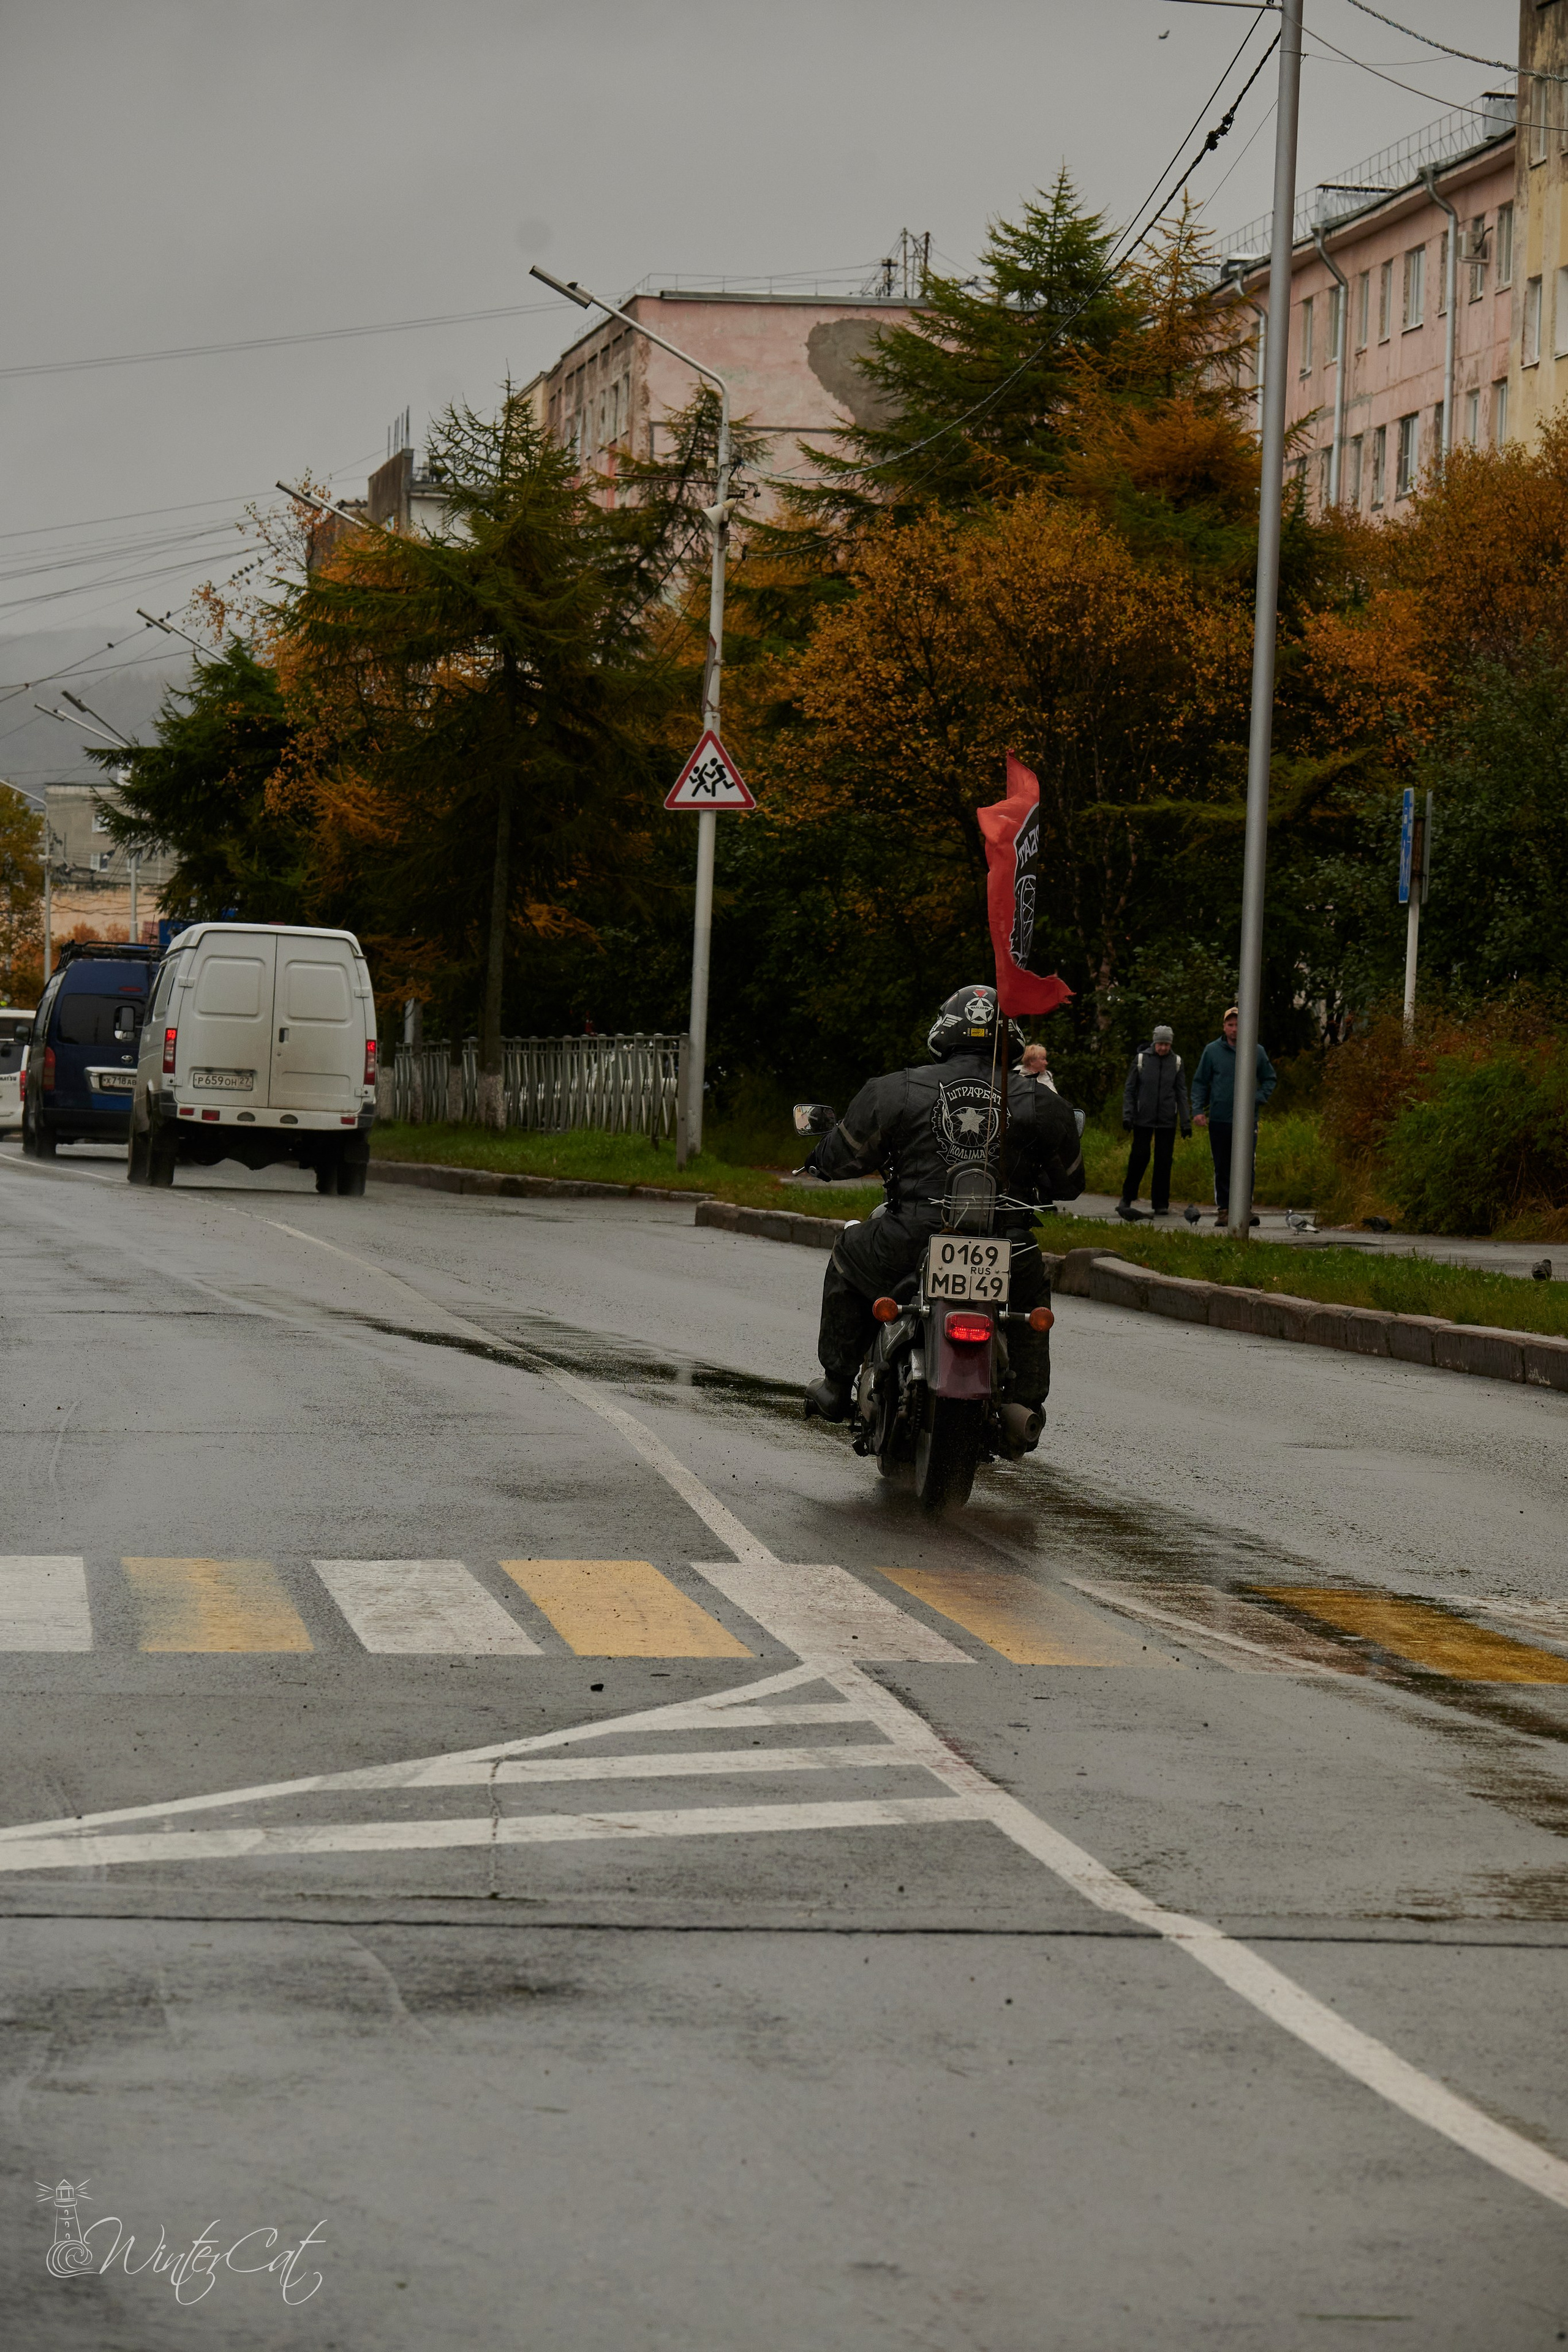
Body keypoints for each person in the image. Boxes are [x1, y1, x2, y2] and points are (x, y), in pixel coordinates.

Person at [802, 984, 1085, 1428]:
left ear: (943, 1031)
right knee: (1029, 1304)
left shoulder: (896, 1089)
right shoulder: (1044, 1103)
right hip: (1009, 1247)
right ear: (1009, 1038)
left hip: (908, 1239)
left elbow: (841, 1158)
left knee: (845, 1255)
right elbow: (1070, 1184)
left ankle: (837, 1385)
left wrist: (818, 1158)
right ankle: (1026, 1404)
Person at [1191, 1006, 1276, 1223]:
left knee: (1247, 1163)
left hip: (1247, 1119)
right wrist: (1198, 1110)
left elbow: (1269, 1078)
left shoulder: (1256, 1051)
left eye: (1239, 1025)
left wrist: (1258, 1098)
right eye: (1231, 1025)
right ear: (1224, 1027)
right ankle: (1225, 1210)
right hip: (1220, 1117)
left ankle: (1245, 1208)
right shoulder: (1212, 1051)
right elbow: (1200, 1082)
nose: (1235, 1029)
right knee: (1222, 1164)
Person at [1117, 1023, 1191, 1220]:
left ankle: (1160, 1203)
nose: (1163, 1048)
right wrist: (1128, 1115)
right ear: (1154, 1042)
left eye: (1167, 1044)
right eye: (1160, 1044)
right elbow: (1130, 1090)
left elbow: (1181, 1093)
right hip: (1143, 1118)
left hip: (1167, 1120)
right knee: (1139, 1158)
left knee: (1164, 1161)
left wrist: (1185, 1122)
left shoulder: (1176, 1062)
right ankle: (1127, 1197)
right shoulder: (1142, 1060)